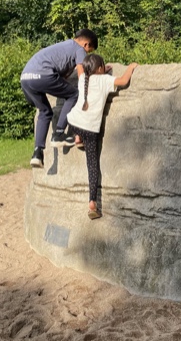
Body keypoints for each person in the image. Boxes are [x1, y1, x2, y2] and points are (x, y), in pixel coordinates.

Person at [67, 54, 138, 220]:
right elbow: (123, 81)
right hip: (91, 130)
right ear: (100, 69)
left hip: (74, 122)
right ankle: (92, 202)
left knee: (75, 120)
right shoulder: (105, 80)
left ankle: (77, 137)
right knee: (92, 166)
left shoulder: (83, 78)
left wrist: (98, 69)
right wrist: (131, 67)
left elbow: (79, 67)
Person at [20, 29, 98, 168]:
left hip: (25, 78)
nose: (86, 56)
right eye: (89, 52)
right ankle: (59, 133)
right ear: (86, 44)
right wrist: (87, 91)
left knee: (45, 112)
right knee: (74, 94)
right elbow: (81, 76)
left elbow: (62, 78)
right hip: (43, 75)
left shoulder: (63, 47)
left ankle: (38, 153)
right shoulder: (79, 49)